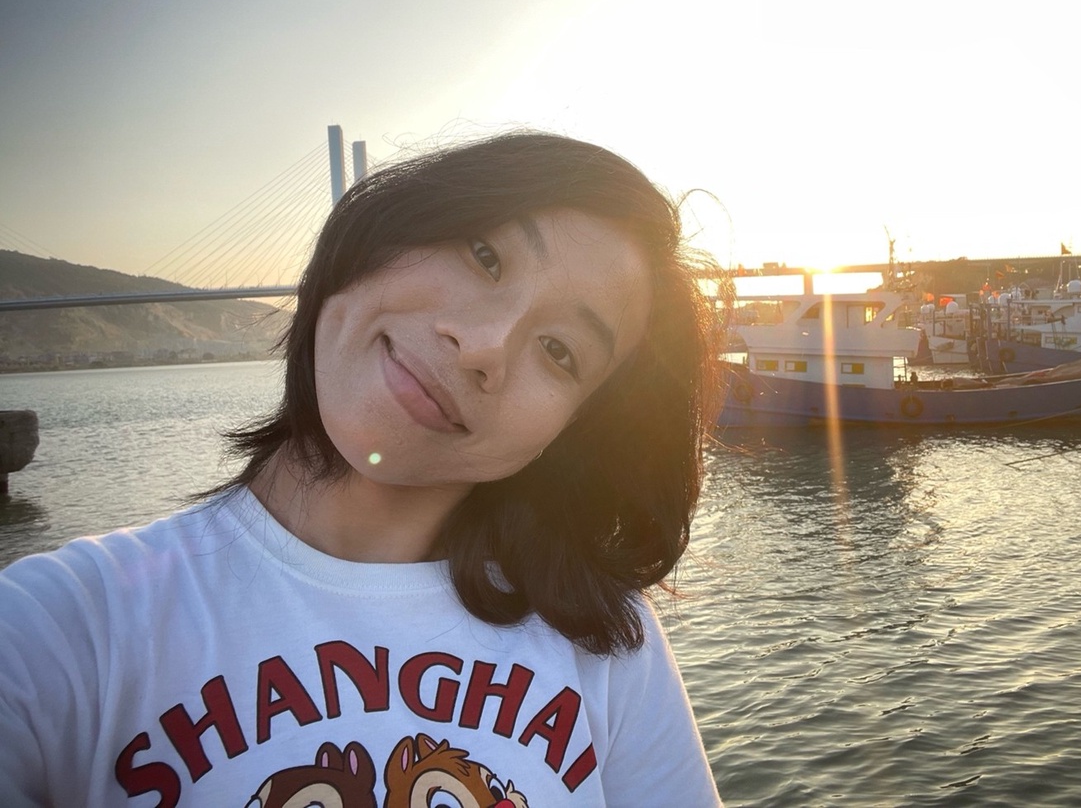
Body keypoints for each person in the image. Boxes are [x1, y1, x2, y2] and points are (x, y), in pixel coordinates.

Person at [0, 131, 726, 807]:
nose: (484, 344)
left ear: (569, 434)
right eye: (484, 255)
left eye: (560, 351)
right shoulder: (57, 631)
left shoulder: (603, 642)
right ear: (384, 230)